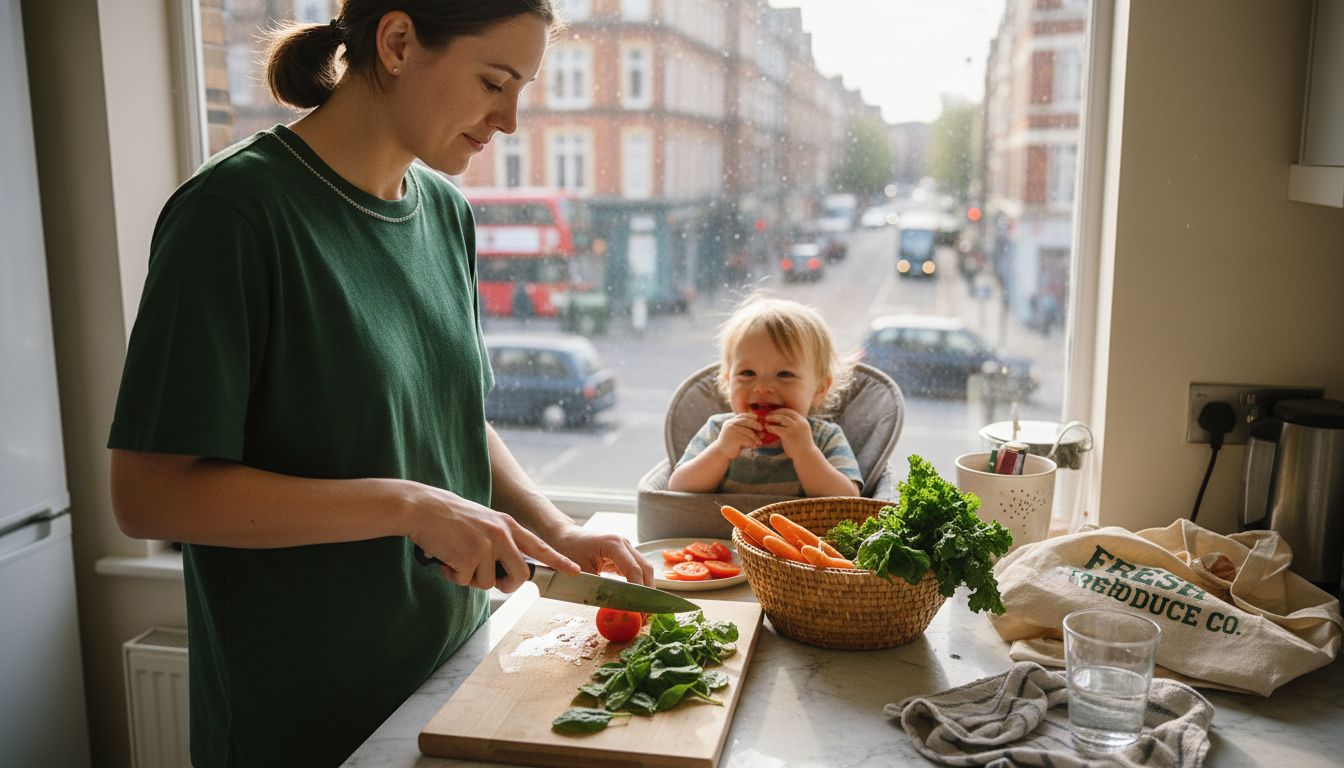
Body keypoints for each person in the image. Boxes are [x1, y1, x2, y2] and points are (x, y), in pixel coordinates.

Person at [106, 3, 650, 766]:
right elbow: (150, 496)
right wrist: (406, 505)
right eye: (496, 81)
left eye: (522, 88)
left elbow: (450, 417)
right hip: (303, 721)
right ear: (397, 43)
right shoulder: (233, 215)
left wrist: (556, 531)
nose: (512, 120)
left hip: (448, 678)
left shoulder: (446, 214)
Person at [666, 295, 863, 497]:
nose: (762, 387)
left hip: (797, 529)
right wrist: (721, 451)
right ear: (728, 380)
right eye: (747, 373)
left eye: (784, 374)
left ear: (819, 389)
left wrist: (805, 453)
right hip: (719, 529)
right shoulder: (717, 432)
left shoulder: (824, 438)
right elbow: (678, 489)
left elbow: (848, 499)